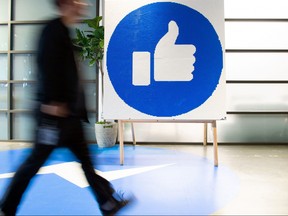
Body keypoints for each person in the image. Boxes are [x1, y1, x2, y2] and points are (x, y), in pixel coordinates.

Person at [0, 0, 132, 215]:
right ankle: (7, 206)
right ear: (64, 4)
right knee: (33, 163)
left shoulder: (63, 32)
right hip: (53, 117)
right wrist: (51, 104)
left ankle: (108, 202)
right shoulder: (52, 32)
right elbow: (46, 66)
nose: (82, 5)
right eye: (76, 2)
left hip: (69, 117)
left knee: (87, 163)